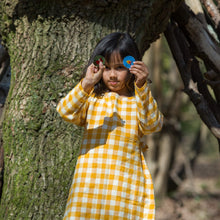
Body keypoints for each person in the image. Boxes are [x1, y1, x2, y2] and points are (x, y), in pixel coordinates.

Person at [57, 32, 163, 220]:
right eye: (107, 68)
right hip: (88, 187)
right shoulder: (92, 98)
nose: (113, 75)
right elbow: (65, 111)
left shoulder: (138, 100)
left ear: (133, 67)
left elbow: (153, 125)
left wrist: (142, 86)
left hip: (125, 186)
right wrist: (87, 83)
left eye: (120, 68)